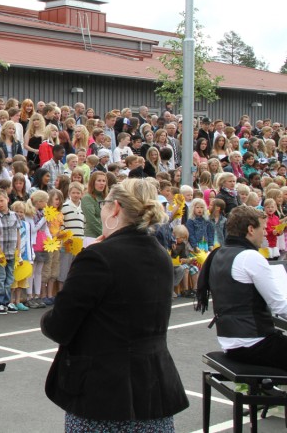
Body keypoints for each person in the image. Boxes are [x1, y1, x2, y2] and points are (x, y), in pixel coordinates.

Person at [41, 178, 189, 430]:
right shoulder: (160, 255)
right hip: (155, 387)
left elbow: (59, 327)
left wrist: (85, 260)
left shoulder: (97, 258)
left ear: (116, 208)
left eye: (104, 204)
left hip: (104, 393)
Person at [197, 205, 287, 370]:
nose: (266, 233)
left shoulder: (218, 253)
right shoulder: (250, 257)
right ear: (251, 229)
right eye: (263, 229)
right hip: (253, 342)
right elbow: (280, 305)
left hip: (229, 340)